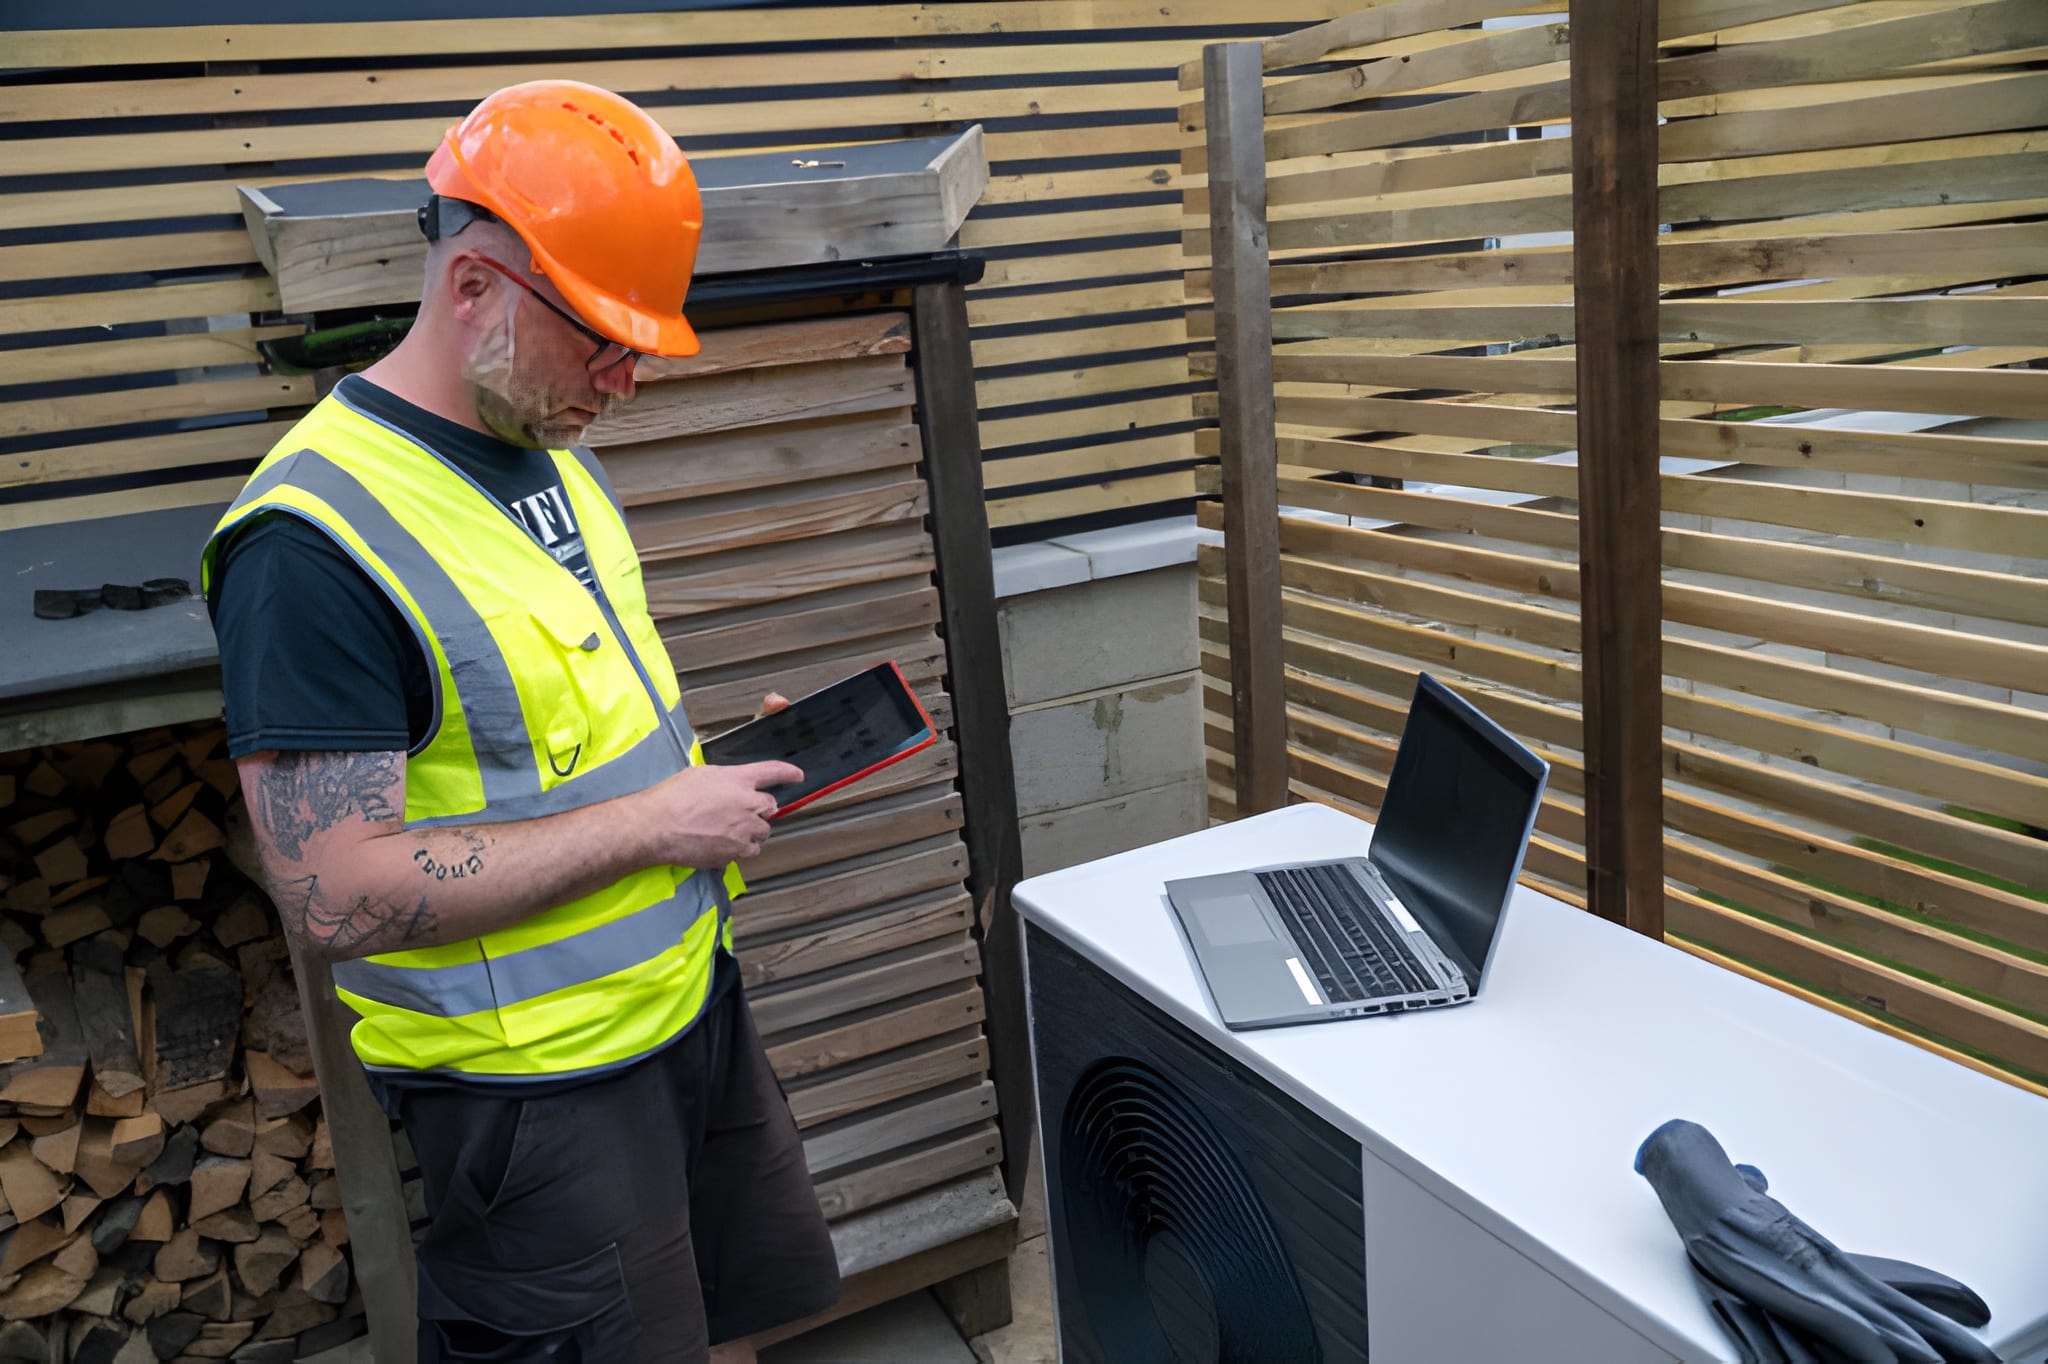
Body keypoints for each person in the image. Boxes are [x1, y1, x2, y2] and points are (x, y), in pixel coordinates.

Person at [203, 80, 841, 1363]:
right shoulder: (311, 547)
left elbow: (537, 752)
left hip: (686, 1015)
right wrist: (660, 818)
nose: (625, 379)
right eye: (600, 338)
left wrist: (705, 778)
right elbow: (339, 897)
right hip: (540, 1101)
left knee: (733, 1326)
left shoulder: (549, 452)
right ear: (478, 284)